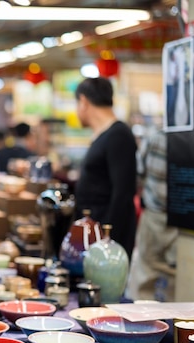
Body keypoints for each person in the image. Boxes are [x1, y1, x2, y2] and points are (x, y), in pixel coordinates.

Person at [74, 77, 137, 259]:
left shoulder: (119, 135)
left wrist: (107, 238)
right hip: (95, 233)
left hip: (107, 241)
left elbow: (123, 193)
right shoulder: (104, 135)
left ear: (84, 102)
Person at [126, 126, 178, 300]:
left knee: (145, 271)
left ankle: (142, 319)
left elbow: (137, 174)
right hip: (182, 220)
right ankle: (172, 322)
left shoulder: (156, 137)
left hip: (154, 214)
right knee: (174, 274)